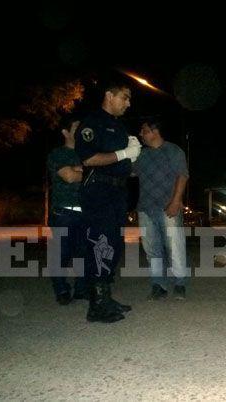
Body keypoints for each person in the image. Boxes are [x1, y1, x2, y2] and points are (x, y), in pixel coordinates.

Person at [74, 80, 140, 323]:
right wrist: (124, 154)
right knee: (100, 243)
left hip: (117, 192)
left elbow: (123, 166)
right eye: (125, 97)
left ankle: (105, 296)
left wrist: (132, 158)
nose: (128, 103)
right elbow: (89, 159)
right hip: (98, 191)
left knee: (114, 244)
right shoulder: (92, 123)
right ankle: (96, 304)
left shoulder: (119, 127)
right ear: (109, 95)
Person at [134, 117, 189, 301]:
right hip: (145, 208)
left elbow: (182, 176)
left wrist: (176, 201)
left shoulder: (173, 150)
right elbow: (128, 171)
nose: (140, 134)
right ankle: (159, 285)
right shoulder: (141, 155)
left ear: (154, 131)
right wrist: (126, 151)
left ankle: (180, 284)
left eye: (144, 130)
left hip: (168, 206)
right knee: (152, 249)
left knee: (175, 246)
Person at [46, 115, 88, 305]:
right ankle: (61, 289)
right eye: (76, 128)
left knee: (83, 253)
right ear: (65, 132)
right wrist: (85, 172)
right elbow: (69, 176)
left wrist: (79, 169)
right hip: (63, 212)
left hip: (86, 212)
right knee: (61, 254)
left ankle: (81, 289)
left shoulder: (87, 154)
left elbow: (98, 174)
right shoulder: (57, 154)